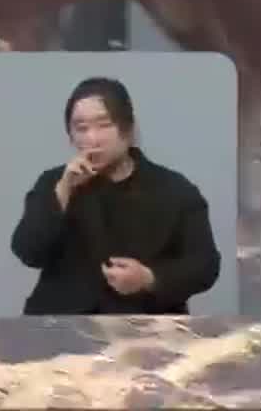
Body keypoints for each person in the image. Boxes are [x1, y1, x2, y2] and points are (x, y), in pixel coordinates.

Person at [11, 76, 221, 315]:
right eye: (81, 128)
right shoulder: (54, 182)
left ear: (128, 129)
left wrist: (149, 278)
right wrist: (64, 190)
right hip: (61, 326)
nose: (93, 139)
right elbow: (27, 251)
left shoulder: (175, 189)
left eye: (104, 124)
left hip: (144, 331)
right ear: (71, 136)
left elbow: (205, 265)